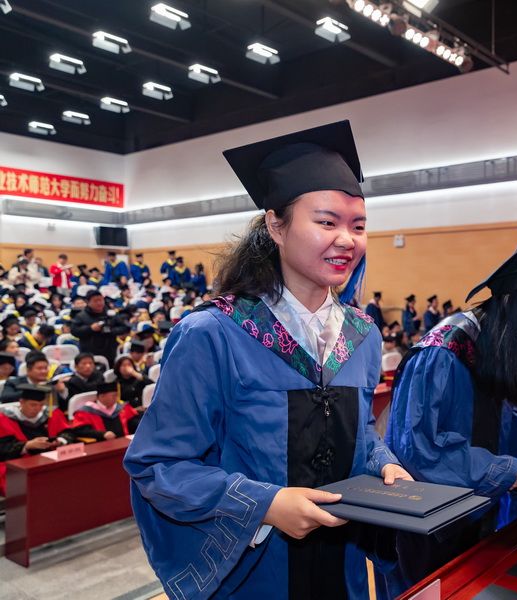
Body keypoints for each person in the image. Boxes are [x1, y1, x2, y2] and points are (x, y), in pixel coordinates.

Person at [124, 120, 411, 600]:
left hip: (342, 568)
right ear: (276, 225)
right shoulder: (214, 333)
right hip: (257, 573)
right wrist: (266, 504)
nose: (347, 239)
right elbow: (159, 464)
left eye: (358, 226)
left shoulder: (361, 335)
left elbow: (360, 431)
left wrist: (383, 463)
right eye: (327, 222)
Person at [385, 236, 517, 587]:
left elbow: (507, 412)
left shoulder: (492, 340)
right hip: (431, 522)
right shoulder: (440, 354)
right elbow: (418, 449)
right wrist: (494, 469)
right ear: (514, 306)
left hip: (477, 506)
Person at [0, 384, 76, 495]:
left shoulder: (51, 414)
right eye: (33, 405)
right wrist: (27, 446)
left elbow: (68, 433)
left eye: (41, 405)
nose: (37, 409)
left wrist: (60, 440)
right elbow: (2, 449)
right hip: (19, 464)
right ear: (21, 402)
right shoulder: (4, 419)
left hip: (50, 460)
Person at [72, 371, 140, 439]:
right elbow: (81, 431)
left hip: (125, 442)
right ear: (101, 396)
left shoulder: (122, 408)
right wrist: (102, 434)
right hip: (100, 444)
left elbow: (133, 423)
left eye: (116, 395)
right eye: (113, 396)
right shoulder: (86, 412)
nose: (117, 398)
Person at [71, 290, 129, 365]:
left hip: (110, 352)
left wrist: (110, 330)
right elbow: (74, 331)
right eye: (95, 301)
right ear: (88, 302)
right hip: (89, 353)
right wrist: (90, 328)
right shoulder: (81, 316)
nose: (99, 303)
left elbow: (125, 327)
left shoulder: (110, 314)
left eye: (101, 300)